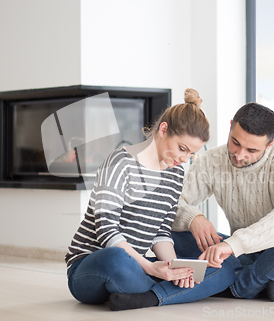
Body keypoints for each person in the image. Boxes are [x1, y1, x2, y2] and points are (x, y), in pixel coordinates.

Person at [65, 89, 236, 311]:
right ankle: (173, 292)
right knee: (115, 259)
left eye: (190, 154)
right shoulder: (120, 162)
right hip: (93, 265)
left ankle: (149, 296)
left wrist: (175, 267)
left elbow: (161, 231)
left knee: (227, 267)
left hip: (138, 265)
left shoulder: (175, 175)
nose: (184, 159)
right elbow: (106, 231)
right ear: (163, 129)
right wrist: (152, 268)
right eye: (182, 149)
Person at [171, 102, 274, 302]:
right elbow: (170, 203)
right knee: (171, 230)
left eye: (252, 150)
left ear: (269, 145)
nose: (239, 155)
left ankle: (236, 288)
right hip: (248, 255)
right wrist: (193, 217)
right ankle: (262, 280)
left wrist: (232, 244)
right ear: (230, 126)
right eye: (235, 142)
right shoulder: (210, 161)